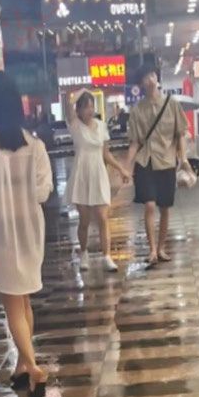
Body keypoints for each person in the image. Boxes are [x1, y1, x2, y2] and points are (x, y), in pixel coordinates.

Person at [0, 71, 53, 397]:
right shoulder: (34, 144)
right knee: (23, 297)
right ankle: (21, 367)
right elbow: (43, 191)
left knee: (12, 303)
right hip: (30, 228)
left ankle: (33, 367)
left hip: (0, 228)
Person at [127, 63, 191, 268]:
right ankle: (152, 249)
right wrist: (126, 167)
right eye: (145, 77)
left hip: (166, 162)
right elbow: (135, 142)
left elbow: (180, 134)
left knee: (165, 207)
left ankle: (161, 248)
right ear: (141, 84)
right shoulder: (137, 110)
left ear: (157, 78)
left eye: (152, 75)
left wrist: (184, 159)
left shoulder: (172, 104)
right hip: (146, 161)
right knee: (149, 205)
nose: (150, 80)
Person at [66, 89, 130, 272]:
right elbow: (69, 106)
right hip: (82, 175)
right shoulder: (75, 126)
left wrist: (121, 169)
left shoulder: (101, 126)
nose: (90, 110)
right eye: (86, 107)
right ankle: (84, 253)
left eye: (91, 106)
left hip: (98, 173)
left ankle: (107, 256)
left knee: (103, 217)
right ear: (79, 110)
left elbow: (106, 153)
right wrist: (82, 91)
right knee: (84, 220)